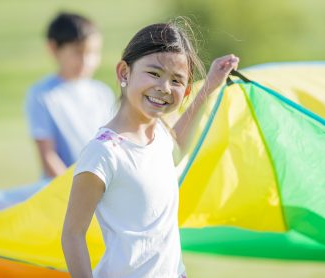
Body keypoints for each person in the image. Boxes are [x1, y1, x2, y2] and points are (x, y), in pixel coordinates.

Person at [61, 20, 239, 278]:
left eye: (176, 80)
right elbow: (72, 234)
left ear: (186, 89)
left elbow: (177, 142)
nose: (164, 88)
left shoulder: (161, 137)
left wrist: (209, 86)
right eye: (154, 73)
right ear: (124, 73)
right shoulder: (105, 153)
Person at [25, 12, 115, 179]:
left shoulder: (103, 93)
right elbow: (48, 156)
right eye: (78, 52)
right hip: (61, 192)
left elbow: (113, 144)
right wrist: (74, 192)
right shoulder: (43, 95)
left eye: (93, 52)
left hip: (99, 186)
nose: (87, 61)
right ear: (53, 48)